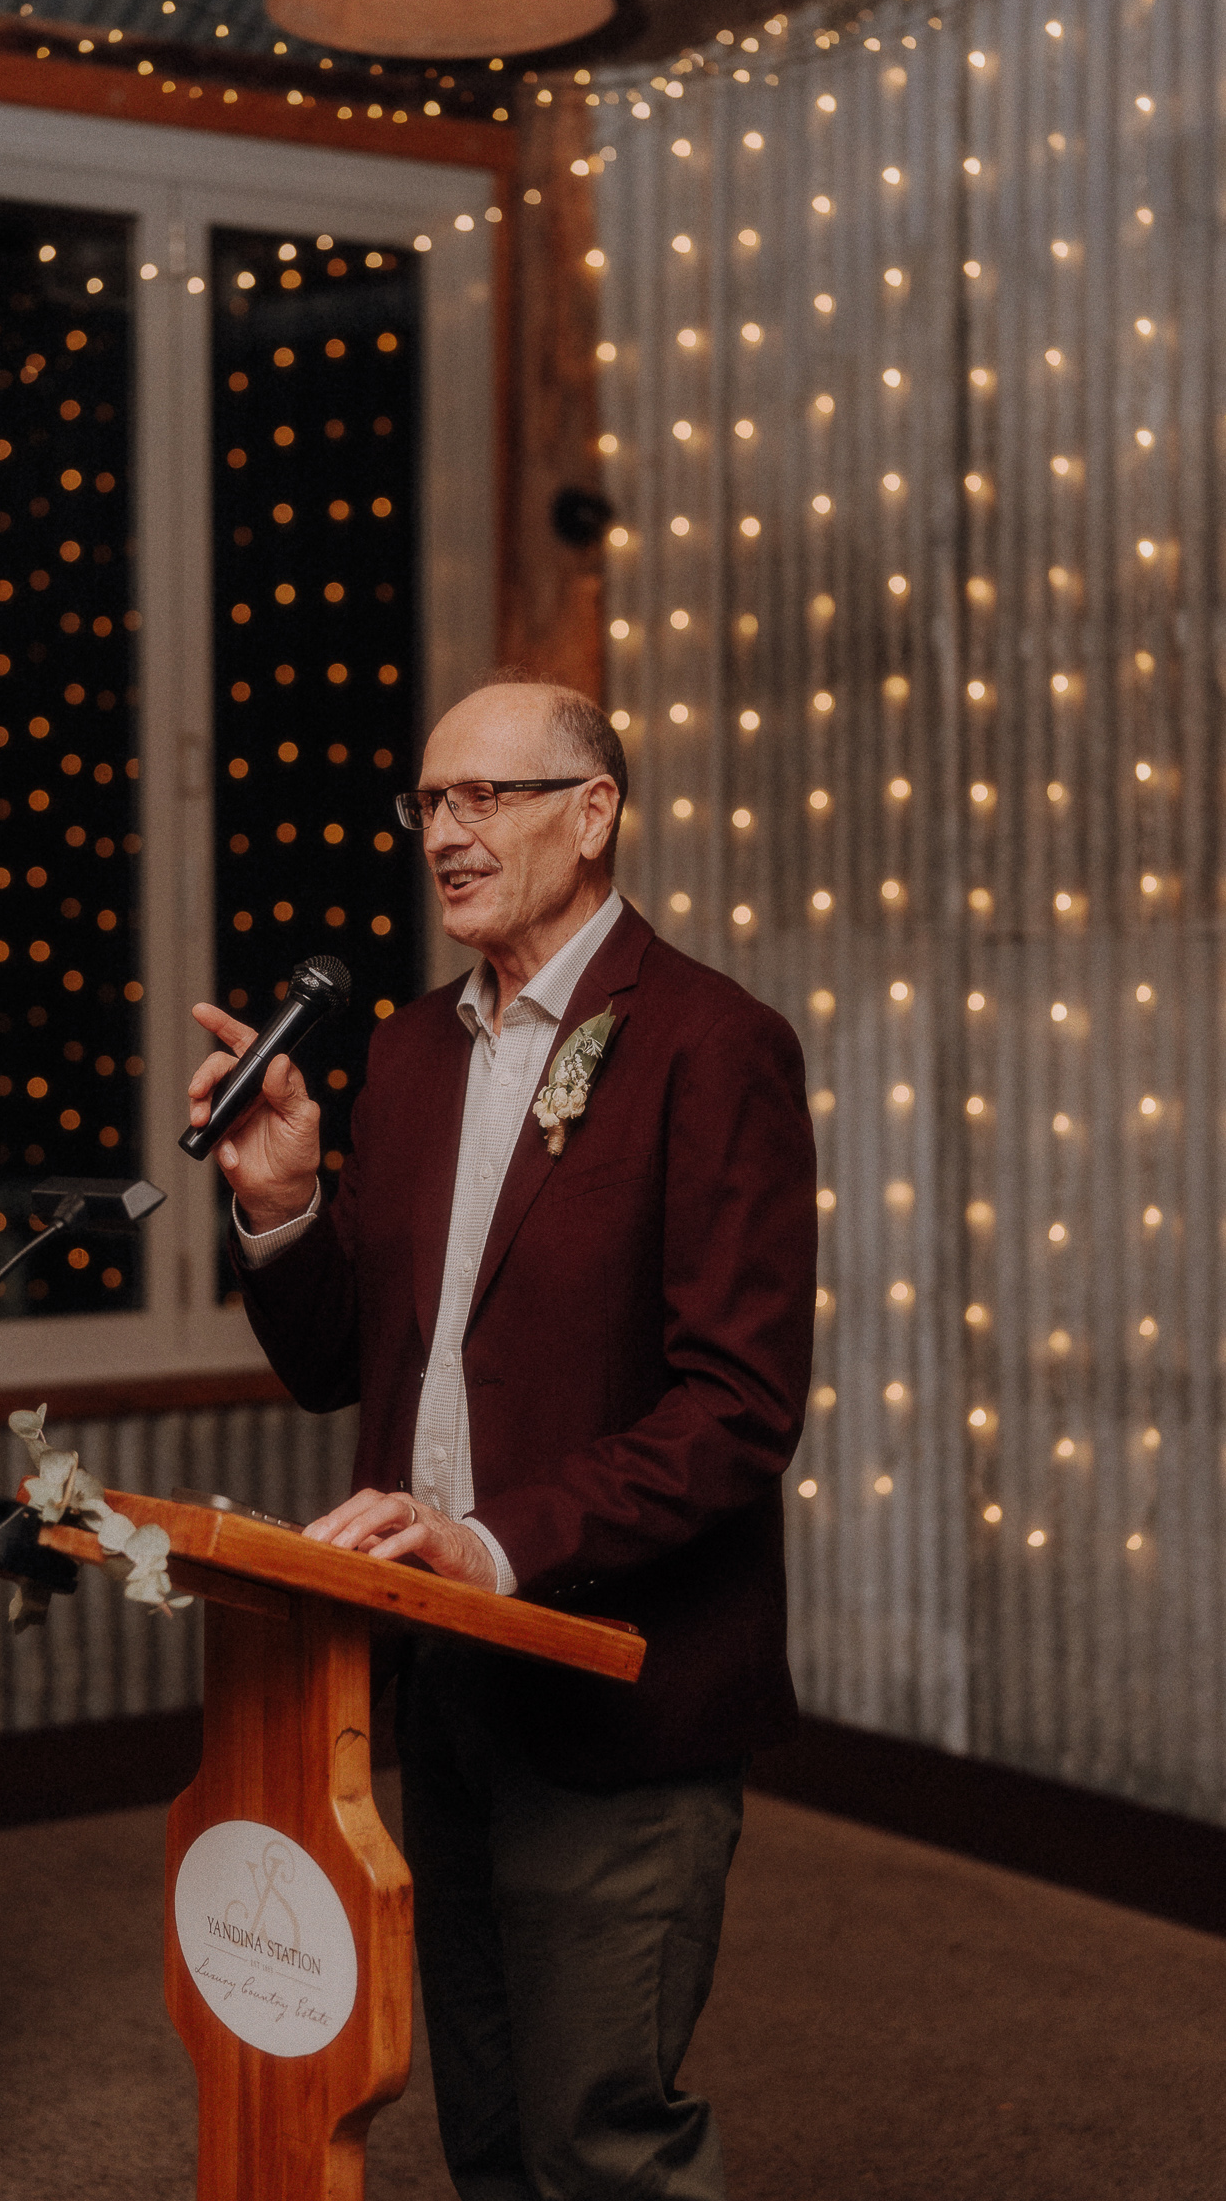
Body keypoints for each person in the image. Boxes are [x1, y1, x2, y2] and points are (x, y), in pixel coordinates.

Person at [185, 673, 816, 2201]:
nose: (446, 835)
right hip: (442, 1681)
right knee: (481, 2123)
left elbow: (737, 1409)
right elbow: (353, 1368)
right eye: (429, 803)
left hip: (618, 1692)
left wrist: (498, 1543)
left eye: (487, 796)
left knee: (599, 2139)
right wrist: (281, 1208)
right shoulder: (406, 1058)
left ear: (593, 814)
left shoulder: (710, 1046)